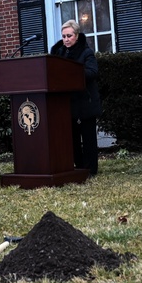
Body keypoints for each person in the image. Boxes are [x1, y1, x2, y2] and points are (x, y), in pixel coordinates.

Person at [50, 19, 102, 176]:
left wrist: (72, 74)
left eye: (69, 36)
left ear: (77, 36)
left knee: (88, 139)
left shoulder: (86, 53)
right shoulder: (59, 53)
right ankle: (78, 167)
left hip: (85, 102)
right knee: (72, 138)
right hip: (67, 103)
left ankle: (91, 169)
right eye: (64, 36)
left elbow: (92, 72)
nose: (66, 39)